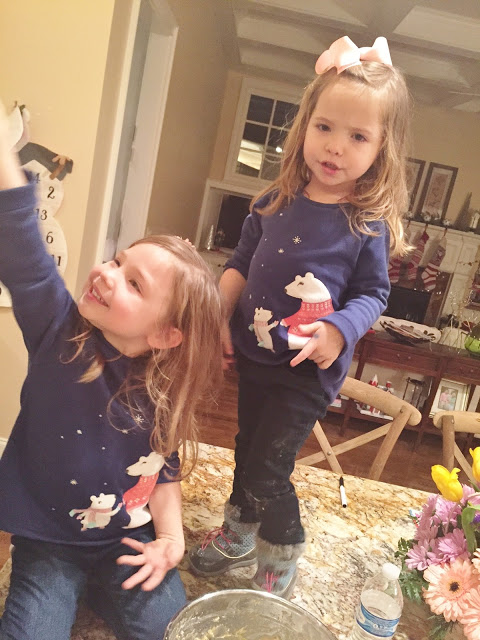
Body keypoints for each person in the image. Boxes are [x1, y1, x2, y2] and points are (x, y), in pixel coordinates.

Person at [188, 35, 411, 598]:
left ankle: (281, 549)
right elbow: (239, 266)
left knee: (270, 465)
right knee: (247, 448)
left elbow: (374, 295)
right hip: (255, 357)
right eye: (325, 127)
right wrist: (218, 318)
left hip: (306, 371)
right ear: (305, 126)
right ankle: (240, 530)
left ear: (381, 149)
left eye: (357, 136)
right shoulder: (273, 201)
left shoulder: (365, 224)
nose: (335, 147)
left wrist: (339, 329)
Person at [0, 100, 223, 640]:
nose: (106, 272)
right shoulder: (59, 331)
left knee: (178, 631)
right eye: (118, 261)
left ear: (165, 335)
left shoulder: (164, 391)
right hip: (48, 544)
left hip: (126, 542)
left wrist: (170, 541)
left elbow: (160, 472)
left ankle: (108, 588)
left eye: (134, 284)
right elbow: (22, 248)